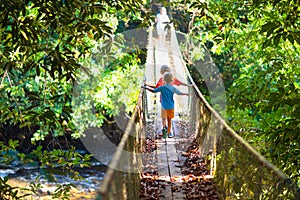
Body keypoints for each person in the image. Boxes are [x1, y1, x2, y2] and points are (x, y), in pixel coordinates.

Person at [145, 65, 193, 137]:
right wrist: (189, 87)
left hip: (163, 103)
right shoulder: (172, 81)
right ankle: (168, 132)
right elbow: (180, 86)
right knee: (168, 119)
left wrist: (146, 86)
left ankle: (165, 130)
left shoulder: (162, 82)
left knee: (164, 118)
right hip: (170, 105)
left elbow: (155, 89)